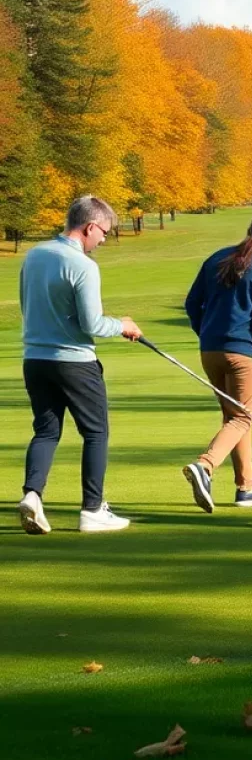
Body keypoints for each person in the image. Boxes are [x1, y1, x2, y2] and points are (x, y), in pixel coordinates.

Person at [17, 196, 142, 535]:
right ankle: (92, 510)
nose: (103, 239)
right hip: (75, 363)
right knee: (96, 432)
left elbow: (27, 307)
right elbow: (92, 324)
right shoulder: (84, 266)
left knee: (46, 431)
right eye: (104, 232)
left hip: (35, 360)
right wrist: (123, 325)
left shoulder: (34, 254)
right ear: (89, 227)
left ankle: (32, 495)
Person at [182, 209, 252, 511]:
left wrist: (206, 332)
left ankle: (247, 487)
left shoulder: (217, 258)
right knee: (243, 417)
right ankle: (205, 466)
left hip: (209, 351)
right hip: (240, 354)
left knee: (235, 419)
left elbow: (192, 304)